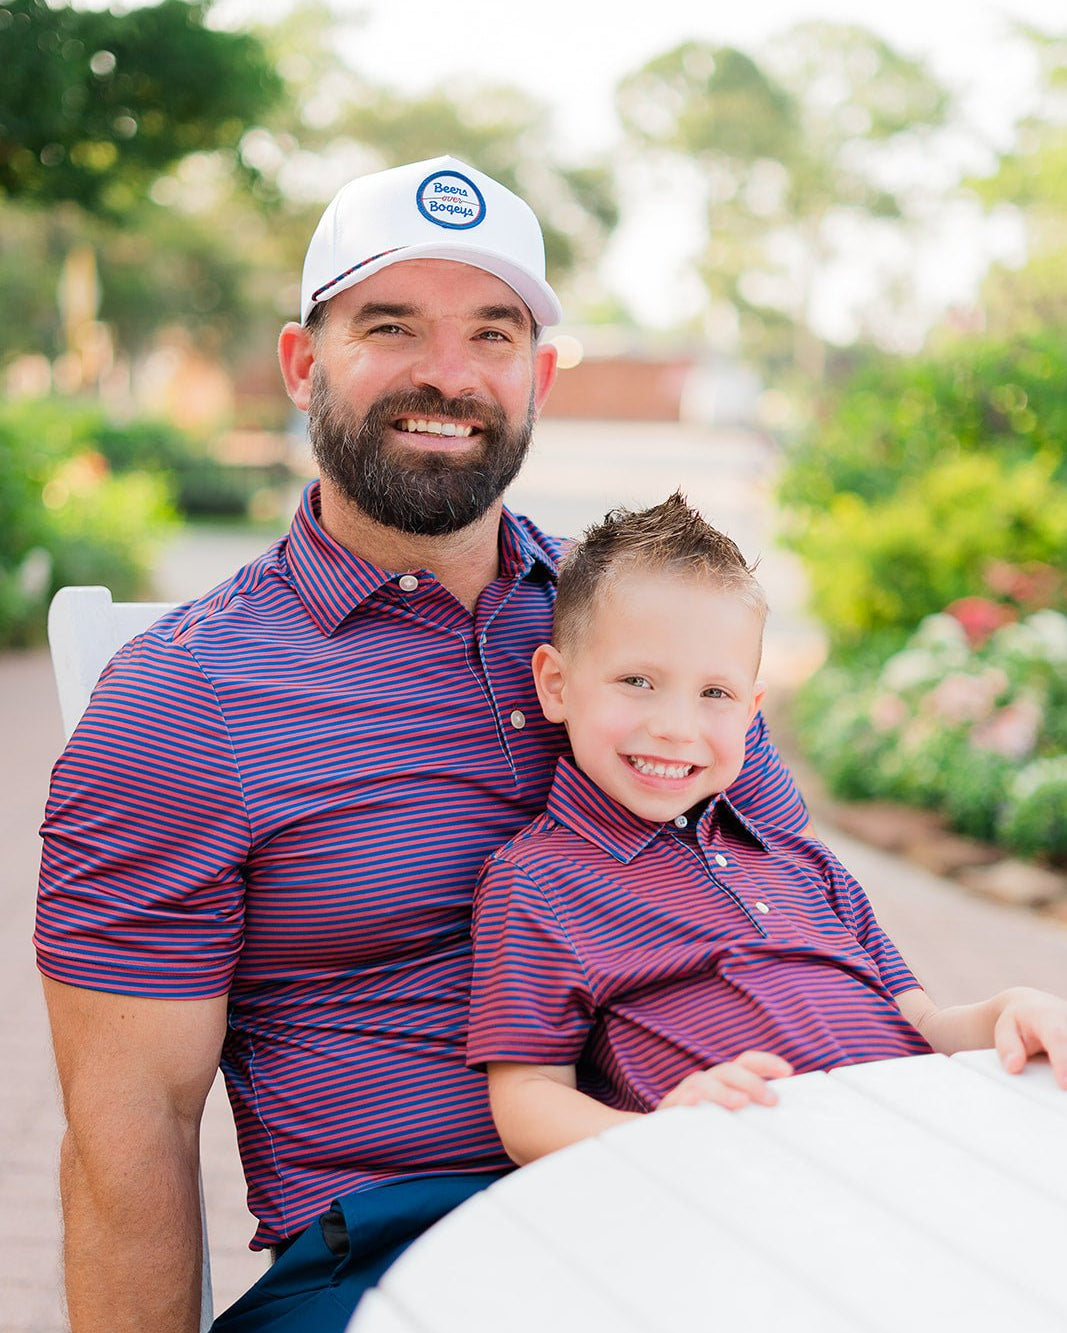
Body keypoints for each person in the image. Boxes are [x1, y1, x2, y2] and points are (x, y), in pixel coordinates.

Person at [34, 158, 811, 1333]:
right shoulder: (185, 698)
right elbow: (126, 1129)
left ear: (536, 375)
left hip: (702, 1210)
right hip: (401, 1255)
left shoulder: (654, 637)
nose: (446, 375)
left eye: (490, 335)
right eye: (389, 325)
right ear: (304, 363)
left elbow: (803, 922)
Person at [467, 493, 1067, 1165]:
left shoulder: (800, 862)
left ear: (751, 713)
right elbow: (525, 1102)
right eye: (637, 680)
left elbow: (922, 1026)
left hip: (920, 1145)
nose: (675, 725)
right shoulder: (541, 878)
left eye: (714, 693)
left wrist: (1003, 1012)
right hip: (758, 1180)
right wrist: (658, 1135)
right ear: (555, 683)